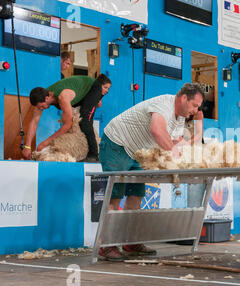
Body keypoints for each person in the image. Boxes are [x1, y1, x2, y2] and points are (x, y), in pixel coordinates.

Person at [97, 83, 204, 261]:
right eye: (194, 105)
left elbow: (174, 141)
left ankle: (130, 242)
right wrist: (174, 154)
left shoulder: (179, 119)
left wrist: (188, 152)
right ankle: (106, 245)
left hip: (139, 153)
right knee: (115, 196)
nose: (195, 110)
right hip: (117, 144)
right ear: (184, 98)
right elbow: (157, 130)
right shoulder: (164, 104)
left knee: (136, 195)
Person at [23, 75, 111, 162]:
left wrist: (46, 143)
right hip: (79, 94)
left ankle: (94, 155)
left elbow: (67, 125)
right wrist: (27, 146)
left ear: (47, 98)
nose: (41, 109)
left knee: (85, 121)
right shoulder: (42, 95)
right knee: (79, 121)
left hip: (92, 87)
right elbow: (34, 121)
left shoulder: (63, 97)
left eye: (42, 106)